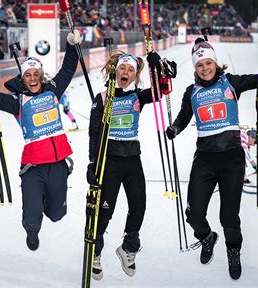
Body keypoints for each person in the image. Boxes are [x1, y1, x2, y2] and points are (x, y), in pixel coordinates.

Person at [166, 38, 258, 281]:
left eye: (208, 63)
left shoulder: (231, 82)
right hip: (205, 158)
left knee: (228, 217)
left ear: (216, 64)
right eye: (199, 65)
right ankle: (207, 237)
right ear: (195, 68)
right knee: (194, 214)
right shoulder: (191, 91)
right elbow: (184, 117)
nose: (204, 68)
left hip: (231, 158)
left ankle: (233, 251)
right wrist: (174, 128)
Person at [0, 29, 83, 251]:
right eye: (28, 75)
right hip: (33, 166)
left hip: (58, 164)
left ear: (41, 76)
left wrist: (72, 44)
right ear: (22, 79)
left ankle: (45, 201)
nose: (32, 78)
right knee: (32, 217)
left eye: (36, 74)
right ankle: (31, 229)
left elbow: (68, 68)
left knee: (57, 215)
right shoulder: (18, 101)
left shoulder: (53, 90)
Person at [86, 51, 162, 280]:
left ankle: (128, 248)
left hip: (132, 157)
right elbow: (94, 133)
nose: (125, 73)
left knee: (139, 205)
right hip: (109, 159)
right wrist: (92, 162)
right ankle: (95, 252)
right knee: (105, 210)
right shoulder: (101, 98)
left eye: (130, 70)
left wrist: (156, 68)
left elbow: (161, 92)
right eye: (122, 69)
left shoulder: (138, 96)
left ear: (135, 75)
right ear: (115, 71)